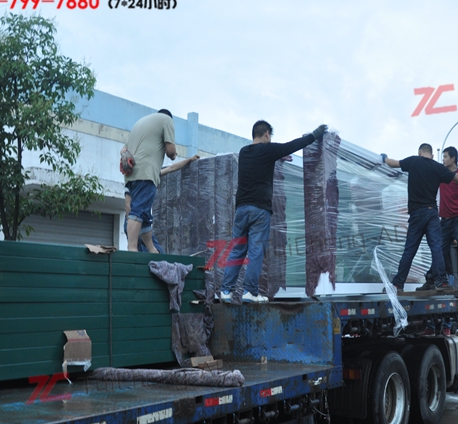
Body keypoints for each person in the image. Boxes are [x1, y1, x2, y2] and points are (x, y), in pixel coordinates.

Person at [219, 120, 328, 304]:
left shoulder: (244, 152)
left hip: (241, 209)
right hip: (259, 210)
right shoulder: (268, 150)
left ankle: (225, 291)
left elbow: (260, 163)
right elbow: (293, 145)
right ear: (267, 134)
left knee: (237, 250)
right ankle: (249, 292)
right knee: (255, 252)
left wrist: (277, 156)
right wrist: (314, 135)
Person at [381, 144, 458, 292]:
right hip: (432, 213)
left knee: (410, 250)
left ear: (419, 152)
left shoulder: (413, 161)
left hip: (416, 214)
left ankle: (397, 284)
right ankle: (441, 282)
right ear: (432, 155)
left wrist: (385, 158)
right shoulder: (437, 167)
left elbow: (393, 163)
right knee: (437, 248)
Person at [419, 146, 458, 290]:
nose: (443, 160)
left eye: (445, 157)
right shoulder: (441, 173)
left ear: (453, 158)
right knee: (438, 250)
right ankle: (431, 279)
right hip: (445, 220)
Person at [122, 151, 200, 252]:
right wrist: (132, 227)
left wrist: (189, 159)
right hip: (134, 221)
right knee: (139, 250)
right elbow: (128, 205)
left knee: (156, 252)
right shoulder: (133, 181)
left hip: (143, 221)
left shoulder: (150, 175)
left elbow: (171, 168)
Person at [123, 109, 178, 252]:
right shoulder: (167, 120)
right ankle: (132, 248)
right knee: (139, 210)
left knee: (145, 215)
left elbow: (123, 150)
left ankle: (151, 249)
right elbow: (171, 152)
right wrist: (174, 154)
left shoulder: (139, 124)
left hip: (131, 173)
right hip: (146, 172)